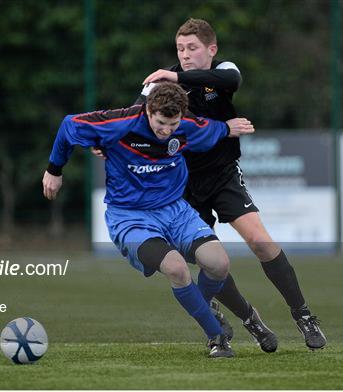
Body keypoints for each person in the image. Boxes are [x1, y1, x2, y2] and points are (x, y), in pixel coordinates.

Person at [137, 18, 327, 350]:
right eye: (180, 49)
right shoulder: (160, 84)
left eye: (192, 48)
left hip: (223, 175)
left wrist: (177, 77)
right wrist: (104, 140)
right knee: (210, 261)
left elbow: (229, 78)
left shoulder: (221, 71)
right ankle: (250, 319)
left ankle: (303, 315)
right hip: (181, 185)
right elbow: (136, 117)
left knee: (261, 242)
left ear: (211, 49)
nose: (184, 55)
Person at [42, 82, 269, 358]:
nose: (166, 131)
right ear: (148, 110)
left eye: (172, 125)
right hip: (129, 216)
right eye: (161, 123)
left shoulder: (187, 127)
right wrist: (54, 170)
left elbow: (214, 129)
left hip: (175, 211)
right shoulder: (119, 123)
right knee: (176, 268)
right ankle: (216, 336)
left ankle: (203, 306)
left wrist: (228, 126)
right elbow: (69, 125)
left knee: (219, 263)